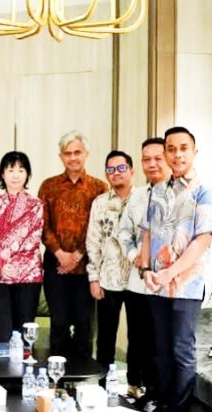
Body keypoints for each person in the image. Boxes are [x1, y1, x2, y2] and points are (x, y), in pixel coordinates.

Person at [140, 127, 212, 412]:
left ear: (194, 152)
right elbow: (148, 233)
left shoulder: (203, 190)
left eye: (183, 148)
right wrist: (146, 269)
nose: (177, 154)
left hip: (186, 285)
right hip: (156, 284)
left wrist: (170, 274)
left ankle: (178, 408)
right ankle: (164, 404)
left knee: (181, 350)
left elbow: (203, 240)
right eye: (171, 149)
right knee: (160, 349)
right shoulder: (157, 190)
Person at [38, 131, 108, 358]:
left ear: (86, 154)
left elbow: (101, 228)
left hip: (87, 267)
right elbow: (43, 225)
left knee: (84, 325)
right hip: (55, 266)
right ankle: (56, 374)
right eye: (67, 153)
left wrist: (77, 255)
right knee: (58, 323)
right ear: (61, 157)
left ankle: (82, 374)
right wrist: (60, 254)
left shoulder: (100, 188)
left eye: (77, 152)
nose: (73, 157)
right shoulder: (49, 186)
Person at [118, 137, 170, 405]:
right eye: (146, 159)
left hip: (168, 284)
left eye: (158, 158)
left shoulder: (181, 194)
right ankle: (138, 390)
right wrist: (134, 256)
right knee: (137, 338)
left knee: (160, 341)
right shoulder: (137, 196)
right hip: (138, 282)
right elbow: (123, 232)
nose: (152, 164)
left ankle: (159, 394)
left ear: (168, 158)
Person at [0, 151, 43, 343]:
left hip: (28, 275)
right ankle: (4, 363)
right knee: (3, 331)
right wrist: (0, 265)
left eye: (21, 170)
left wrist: (13, 265)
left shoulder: (35, 205)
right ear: (2, 174)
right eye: (10, 170)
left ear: (27, 174)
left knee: (25, 331)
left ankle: (24, 363)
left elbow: (33, 239)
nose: (15, 175)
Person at [86, 150, 135, 377]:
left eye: (121, 168)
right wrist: (93, 278)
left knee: (139, 336)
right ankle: (103, 384)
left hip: (137, 280)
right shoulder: (100, 203)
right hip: (108, 278)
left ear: (132, 171)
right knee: (105, 336)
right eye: (111, 169)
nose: (116, 173)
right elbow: (93, 242)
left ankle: (136, 385)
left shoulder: (143, 199)